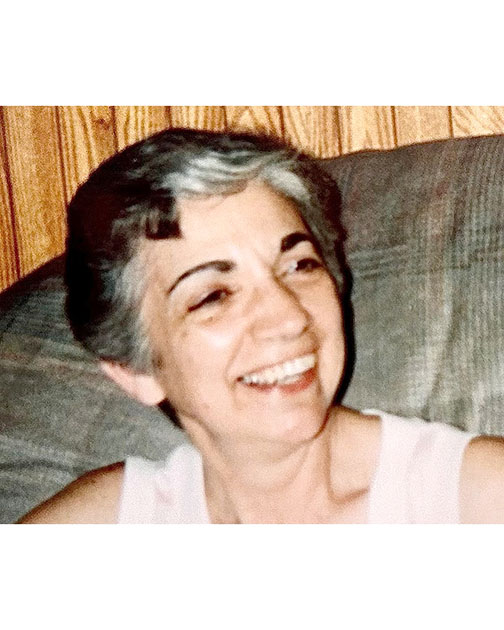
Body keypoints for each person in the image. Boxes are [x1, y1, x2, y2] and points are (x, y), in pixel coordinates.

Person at [19, 128, 504, 524]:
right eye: (213, 296)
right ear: (135, 370)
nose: (289, 318)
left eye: (299, 265)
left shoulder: (475, 501)